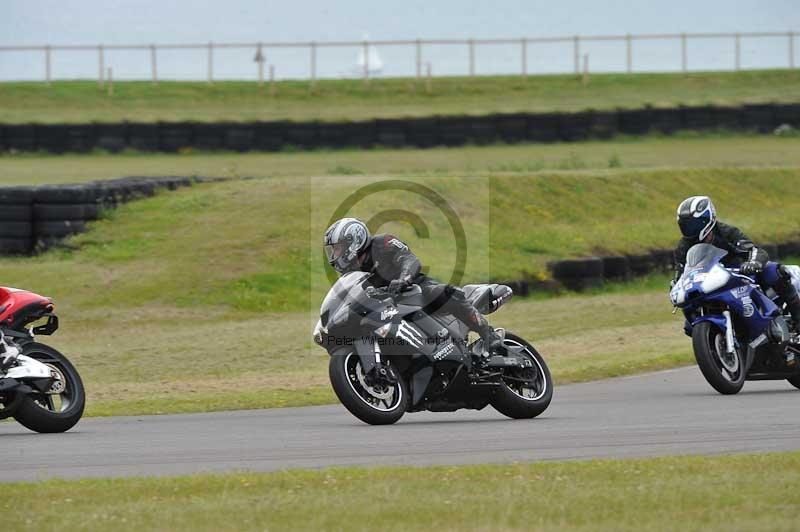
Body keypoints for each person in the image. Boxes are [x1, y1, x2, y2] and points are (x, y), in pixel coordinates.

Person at [323, 217, 506, 355]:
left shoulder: (383, 242)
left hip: (414, 288)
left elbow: (409, 259)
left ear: (353, 241)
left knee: (445, 293)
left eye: (337, 248)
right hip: (387, 304)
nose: (334, 255)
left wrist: (404, 278)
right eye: (332, 251)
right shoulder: (353, 271)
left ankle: (489, 334)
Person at [674, 195, 800, 328]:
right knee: (689, 325)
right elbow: (681, 273)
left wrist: (753, 263)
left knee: (774, 271)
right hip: (708, 284)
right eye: (685, 226)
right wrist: (676, 285)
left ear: (708, 219)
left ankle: (798, 317)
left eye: (694, 225)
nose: (689, 230)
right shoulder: (683, 247)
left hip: (739, 275)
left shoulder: (726, 232)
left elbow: (755, 251)